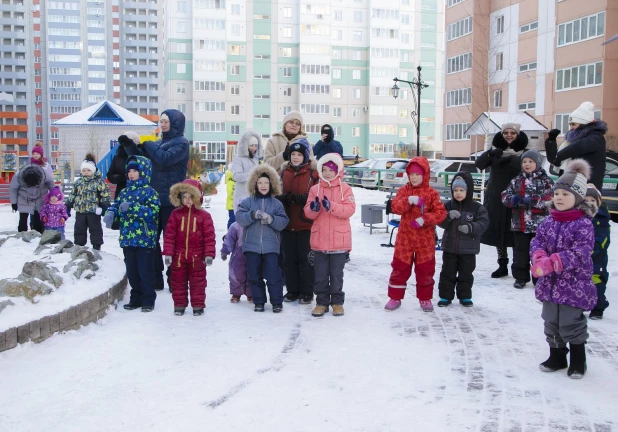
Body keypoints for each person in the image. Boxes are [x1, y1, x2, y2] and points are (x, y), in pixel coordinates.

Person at [530, 159, 597, 379]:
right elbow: (537, 241)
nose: (559, 198)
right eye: (557, 193)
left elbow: (581, 252)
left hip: (574, 284)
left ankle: (578, 360)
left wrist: (552, 262)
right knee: (550, 319)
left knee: (571, 322)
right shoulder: (548, 221)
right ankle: (557, 355)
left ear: (577, 199)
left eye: (565, 195)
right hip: (550, 284)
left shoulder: (583, 224)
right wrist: (538, 256)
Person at [119, 109, 190, 291]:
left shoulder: (182, 144)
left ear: (175, 123)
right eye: (161, 121)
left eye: (166, 121)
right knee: (150, 240)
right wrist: (129, 146)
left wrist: (148, 144)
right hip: (153, 199)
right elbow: (143, 161)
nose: (163, 124)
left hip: (172, 201)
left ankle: (173, 279)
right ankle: (155, 278)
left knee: (172, 241)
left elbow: (164, 159)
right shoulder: (158, 143)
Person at [384, 157, 447, 312]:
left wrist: (424, 219)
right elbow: (396, 207)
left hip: (425, 241)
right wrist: (408, 200)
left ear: (424, 175)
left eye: (417, 174)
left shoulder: (431, 193)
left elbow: (441, 213)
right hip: (405, 239)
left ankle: (425, 299)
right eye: (411, 174)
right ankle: (395, 297)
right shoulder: (404, 191)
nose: (414, 177)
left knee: (425, 270)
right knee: (400, 268)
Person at [103, 156, 160, 313]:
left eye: (135, 170)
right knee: (132, 272)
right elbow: (117, 206)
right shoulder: (124, 192)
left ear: (143, 172)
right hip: (128, 238)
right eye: (129, 171)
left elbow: (152, 212)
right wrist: (111, 213)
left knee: (145, 271)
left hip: (144, 239)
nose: (131, 174)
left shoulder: (150, 192)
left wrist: (133, 208)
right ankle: (135, 298)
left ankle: (148, 299)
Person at [303, 153, 355, 317]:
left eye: (330, 170)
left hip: (339, 242)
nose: (327, 173)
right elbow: (307, 213)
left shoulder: (345, 189)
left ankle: (337, 302)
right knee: (320, 275)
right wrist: (314, 208)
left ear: (337, 170)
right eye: (324, 170)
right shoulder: (314, 189)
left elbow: (349, 210)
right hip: (320, 241)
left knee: (337, 275)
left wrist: (331, 206)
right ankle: (321, 302)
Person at [475, 123, 529, 278]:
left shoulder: (524, 153)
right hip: (496, 197)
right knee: (499, 231)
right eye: (506, 132)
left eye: (513, 132)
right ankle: (502, 264)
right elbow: (479, 164)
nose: (509, 135)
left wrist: (512, 160)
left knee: (517, 233)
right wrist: (491, 154)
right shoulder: (495, 151)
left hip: (517, 197)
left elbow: (531, 168)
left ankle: (518, 266)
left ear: (518, 135)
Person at [236, 165, 289, 313]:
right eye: (260, 183)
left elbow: (283, 222)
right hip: (251, 246)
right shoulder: (248, 202)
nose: (263, 186)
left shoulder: (277, 204)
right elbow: (240, 218)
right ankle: (259, 302)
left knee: (273, 275)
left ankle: (277, 302)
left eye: (266, 182)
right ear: (254, 184)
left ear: (272, 184)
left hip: (271, 246)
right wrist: (253, 215)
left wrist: (271, 219)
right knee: (254, 275)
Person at [501, 150, 554, 288]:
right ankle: (520, 277)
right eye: (524, 161)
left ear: (537, 163)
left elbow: (550, 199)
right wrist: (512, 199)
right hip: (520, 224)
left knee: (539, 252)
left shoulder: (545, 181)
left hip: (540, 226)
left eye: (530, 161)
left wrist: (532, 201)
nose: (527, 164)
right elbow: (504, 196)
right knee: (520, 251)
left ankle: (539, 276)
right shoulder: (516, 180)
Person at [163, 179, 216, 316]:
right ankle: (179, 305)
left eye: (190, 197)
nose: (187, 200)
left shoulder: (204, 216)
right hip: (178, 257)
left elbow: (209, 237)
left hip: (197, 257)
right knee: (178, 281)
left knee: (198, 282)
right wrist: (168, 253)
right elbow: (169, 235)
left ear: (197, 197)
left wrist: (208, 254)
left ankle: (198, 305)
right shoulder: (175, 214)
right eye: (184, 197)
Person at [437, 172, 489, 307]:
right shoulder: (447, 206)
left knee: (466, 273)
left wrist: (471, 227)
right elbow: (440, 221)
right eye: (455, 190)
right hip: (450, 247)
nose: (458, 193)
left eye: (461, 190)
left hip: (469, 250)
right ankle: (445, 296)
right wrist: (448, 217)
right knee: (447, 273)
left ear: (468, 190)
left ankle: (465, 296)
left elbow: (484, 223)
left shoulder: (477, 207)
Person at [278, 138, 320, 304]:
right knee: (289, 260)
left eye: (299, 154)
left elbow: (318, 195)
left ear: (305, 156)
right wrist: (282, 198)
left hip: (305, 225)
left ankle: (307, 292)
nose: (295, 157)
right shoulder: (283, 173)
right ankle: (292, 291)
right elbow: (275, 191)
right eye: (293, 154)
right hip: (287, 224)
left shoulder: (313, 174)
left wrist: (307, 198)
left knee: (306, 260)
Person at [545, 101, 607, 190]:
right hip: (570, 184)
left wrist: (559, 156)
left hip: (587, 187)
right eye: (570, 124)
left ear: (584, 124)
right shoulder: (570, 142)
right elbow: (553, 159)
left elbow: (581, 146)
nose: (570, 128)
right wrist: (551, 141)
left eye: (573, 124)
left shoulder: (596, 137)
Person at [65, 153, 111, 250]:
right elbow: (73, 194)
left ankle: (96, 245)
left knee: (95, 229)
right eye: (84, 170)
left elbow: (105, 194)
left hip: (94, 211)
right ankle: (79, 245)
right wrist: (68, 205)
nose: (86, 172)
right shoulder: (79, 182)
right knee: (79, 229)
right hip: (80, 211)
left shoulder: (99, 182)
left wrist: (104, 206)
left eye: (88, 170)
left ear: (93, 170)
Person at [584, 185, 611, 320]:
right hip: (581, 258)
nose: (589, 203)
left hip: (596, 258)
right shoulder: (579, 218)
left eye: (593, 200)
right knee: (581, 282)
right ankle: (581, 304)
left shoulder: (602, 219)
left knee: (596, 282)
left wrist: (593, 249)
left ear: (599, 202)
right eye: (586, 200)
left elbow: (603, 238)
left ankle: (599, 307)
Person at [9, 160, 54, 233]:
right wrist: (13, 202)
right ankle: (21, 237)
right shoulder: (18, 176)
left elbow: (51, 184)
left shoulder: (44, 173)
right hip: (24, 199)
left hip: (39, 198)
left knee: (38, 220)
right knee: (23, 220)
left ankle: (37, 237)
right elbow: (13, 189)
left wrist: (53, 196)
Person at [220, 222, 252, 303]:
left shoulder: (255, 224)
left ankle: (251, 293)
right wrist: (225, 251)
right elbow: (229, 239)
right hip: (238, 253)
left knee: (252, 273)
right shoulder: (235, 225)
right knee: (236, 273)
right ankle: (236, 293)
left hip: (253, 251)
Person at [232, 130, 262, 212]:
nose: (254, 148)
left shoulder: (256, 159)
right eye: (251, 145)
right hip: (242, 197)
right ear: (245, 146)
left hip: (254, 197)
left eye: (256, 145)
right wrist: (254, 174)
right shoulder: (238, 159)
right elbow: (236, 176)